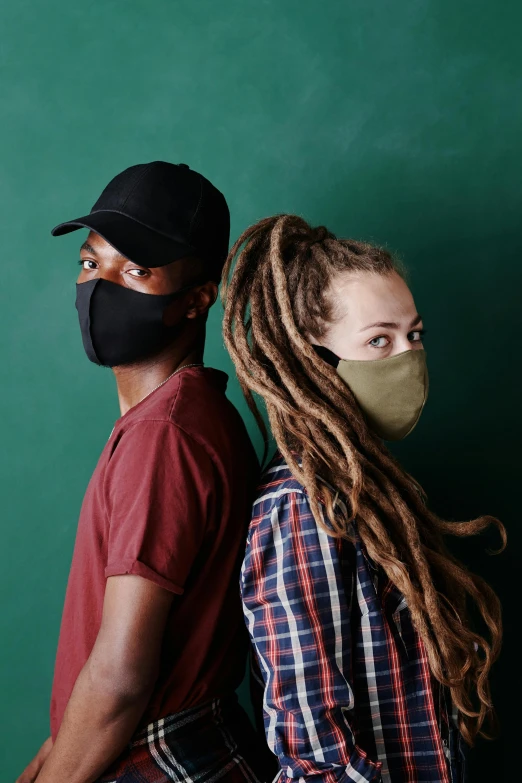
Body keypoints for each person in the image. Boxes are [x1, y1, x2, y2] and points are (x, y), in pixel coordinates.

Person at [221, 214, 505, 783]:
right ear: (313, 358)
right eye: (379, 340)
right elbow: (313, 750)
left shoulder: (375, 489)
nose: (406, 356)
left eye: (413, 335)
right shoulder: (302, 506)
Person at [17, 162, 271, 783]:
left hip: (153, 761)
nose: (99, 285)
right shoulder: (188, 414)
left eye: (135, 270)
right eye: (90, 263)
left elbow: (121, 677)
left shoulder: (165, 437)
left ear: (198, 298)